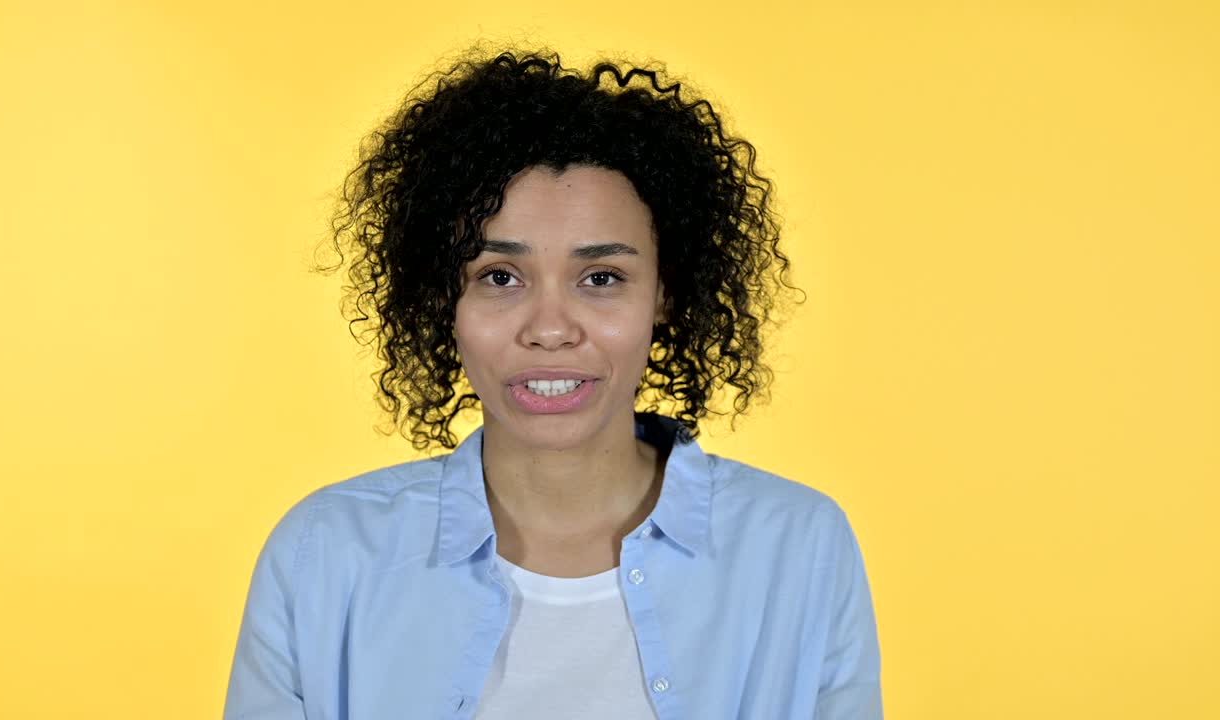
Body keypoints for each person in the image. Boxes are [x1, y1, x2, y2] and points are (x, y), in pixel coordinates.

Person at [223, 47, 882, 720]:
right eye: (499, 277)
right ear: (444, 300)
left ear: (664, 294)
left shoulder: (799, 548)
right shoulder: (324, 554)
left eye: (601, 278)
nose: (549, 329)